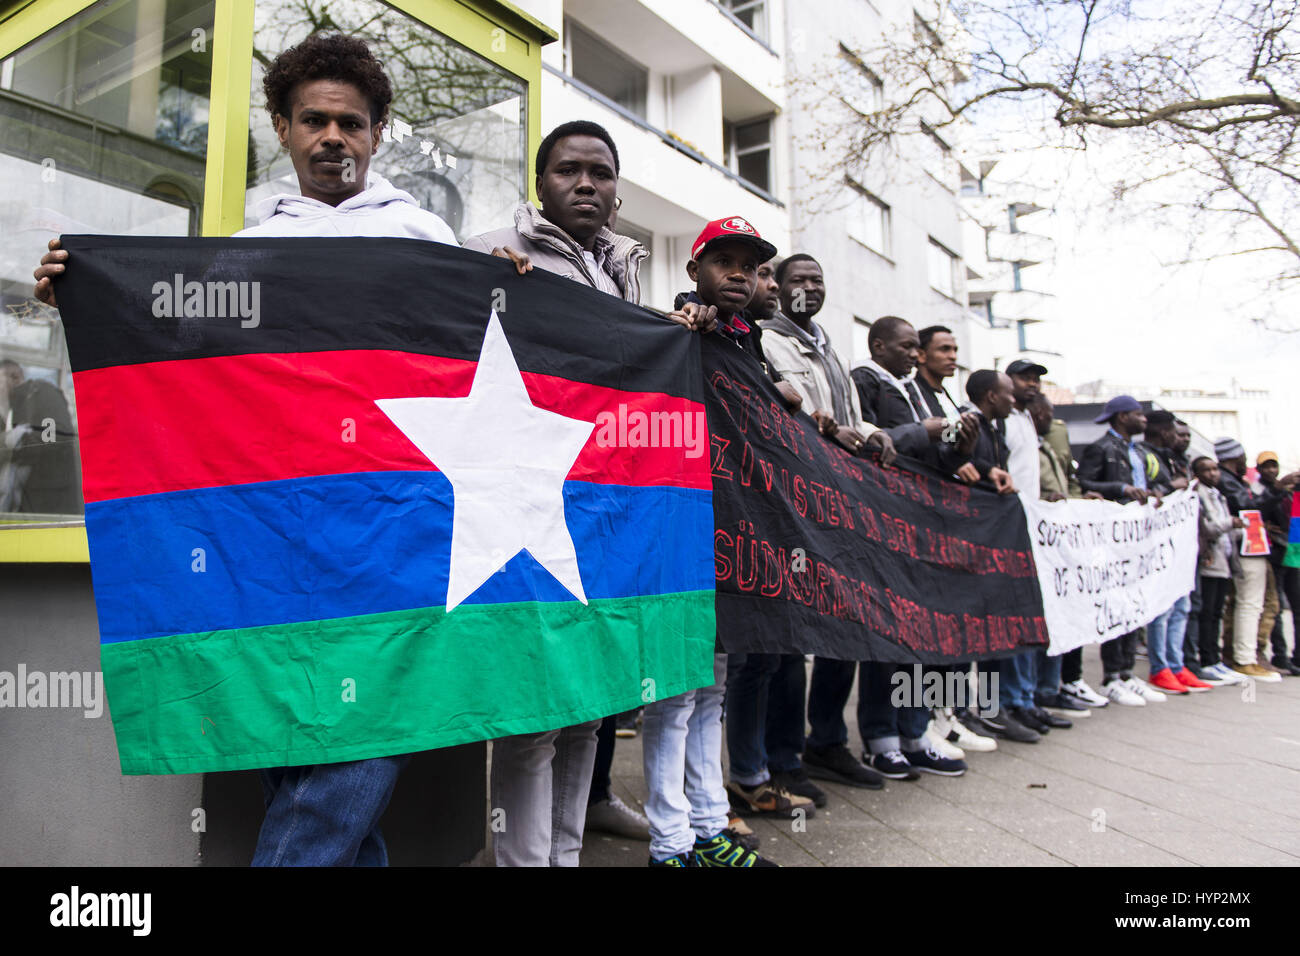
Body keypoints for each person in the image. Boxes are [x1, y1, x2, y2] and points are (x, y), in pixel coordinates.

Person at [37, 33, 459, 866]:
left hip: (387, 532)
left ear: (377, 133)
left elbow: (488, 351)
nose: (332, 136)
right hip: (265, 531)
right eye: (314, 120)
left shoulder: (426, 243)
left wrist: (511, 282)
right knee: (288, 728)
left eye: (350, 121)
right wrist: (82, 298)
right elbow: (175, 355)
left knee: (361, 728)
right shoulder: (238, 245)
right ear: (283, 128)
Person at [644, 215, 784, 867]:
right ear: (694, 271)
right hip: (681, 534)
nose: (739, 275)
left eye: (750, 266)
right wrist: (679, 324)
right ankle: (669, 843)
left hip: (732, 539)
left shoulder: (745, 343)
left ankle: (707, 828)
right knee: (675, 692)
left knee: (712, 688)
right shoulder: (677, 333)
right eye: (723, 261)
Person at [723, 256, 828, 820]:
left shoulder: (755, 349)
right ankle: (740, 777)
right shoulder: (709, 334)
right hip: (740, 524)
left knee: (765, 658)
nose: (764, 284)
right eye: (764, 275)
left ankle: (753, 772)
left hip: (778, 521)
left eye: (767, 274)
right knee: (736, 665)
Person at [844, 317, 970, 779]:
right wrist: (926, 431)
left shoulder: (912, 389)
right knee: (888, 636)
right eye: (908, 346)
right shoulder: (864, 380)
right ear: (878, 346)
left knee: (923, 635)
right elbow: (867, 445)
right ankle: (881, 740)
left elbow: (933, 457)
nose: (915, 355)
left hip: (921, 525)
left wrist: (959, 445)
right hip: (885, 525)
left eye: (919, 347)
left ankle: (915, 734)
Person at [994, 363, 1074, 734]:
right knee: (1010, 619)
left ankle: (1025, 699)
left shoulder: (1027, 421)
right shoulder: (1002, 420)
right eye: (1026, 378)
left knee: (1030, 618)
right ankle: (1006, 703)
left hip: (1030, 529)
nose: (1033, 384)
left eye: (1037, 379)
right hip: (1004, 530)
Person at [1076, 396, 1167, 705]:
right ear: (1121, 416)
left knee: (1134, 603)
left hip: (1138, 541)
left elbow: (1157, 481)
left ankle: (1128, 672)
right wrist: (1121, 490)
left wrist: (1155, 493)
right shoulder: (1101, 448)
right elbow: (1084, 482)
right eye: (1138, 414)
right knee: (1115, 604)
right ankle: (1112, 675)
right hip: (1113, 541)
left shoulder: (1140, 452)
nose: (1144, 420)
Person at [1026, 395, 1096, 717]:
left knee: (1058, 616)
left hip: (1054, 543)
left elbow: (1065, 483)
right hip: (1027, 539)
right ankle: (1011, 700)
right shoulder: (1015, 436)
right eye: (1046, 413)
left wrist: (1075, 500)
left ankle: (1044, 691)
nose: (1049, 419)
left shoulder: (1046, 446)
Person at [1141, 411, 1212, 695]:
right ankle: (1160, 668)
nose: (1179, 436)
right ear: (1162, 431)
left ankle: (1176, 663)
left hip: (1180, 543)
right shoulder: (1146, 456)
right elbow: (1146, 492)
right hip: (1159, 543)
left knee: (1182, 606)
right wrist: (1170, 488)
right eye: (1174, 431)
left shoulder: (1176, 459)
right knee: (1164, 607)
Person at [1214, 437, 1284, 682]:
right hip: (1246, 547)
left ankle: (1237, 655)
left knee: (1243, 602)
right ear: (1236, 457)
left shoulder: (1231, 480)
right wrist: (1277, 490)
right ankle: (1245, 659)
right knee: (1250, 603)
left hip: (1247, 545)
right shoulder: (1227, 480)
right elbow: (1249, 507)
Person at [1190, 456, 1249, 685]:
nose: (1213, 474)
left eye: (1215, 469)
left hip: (1225, 561)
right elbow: (1209, 529)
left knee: (1217, 613)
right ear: (1197, 474)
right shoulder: (1198, 495)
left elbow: (1225, 530)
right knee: (1206, 614)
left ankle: (1214, 659)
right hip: (1209, 563)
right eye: (1207, 470)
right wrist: (1229, 524)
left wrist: (1242, 531)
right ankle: (1205, 660)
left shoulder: (1219, 495)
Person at [0, 359, 81, 515]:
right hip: (29, 505)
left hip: (50, 507)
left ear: (14, 377)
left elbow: (58, 437)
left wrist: (17, 442)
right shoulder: (15, 407)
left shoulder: (42, 392)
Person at [1253, 451, 1300, 674]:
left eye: (1274, 466)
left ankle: (1296, 657)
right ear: (1259, 468)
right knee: (1275, 607)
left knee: (1296, 606)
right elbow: (1255, 510)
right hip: (1273, 553)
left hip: (1292, 552)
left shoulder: (1291, 492)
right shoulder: (1260, 489)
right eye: (1266, 466)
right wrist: (1279, 489)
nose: (1271, 470)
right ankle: (1279, 655)